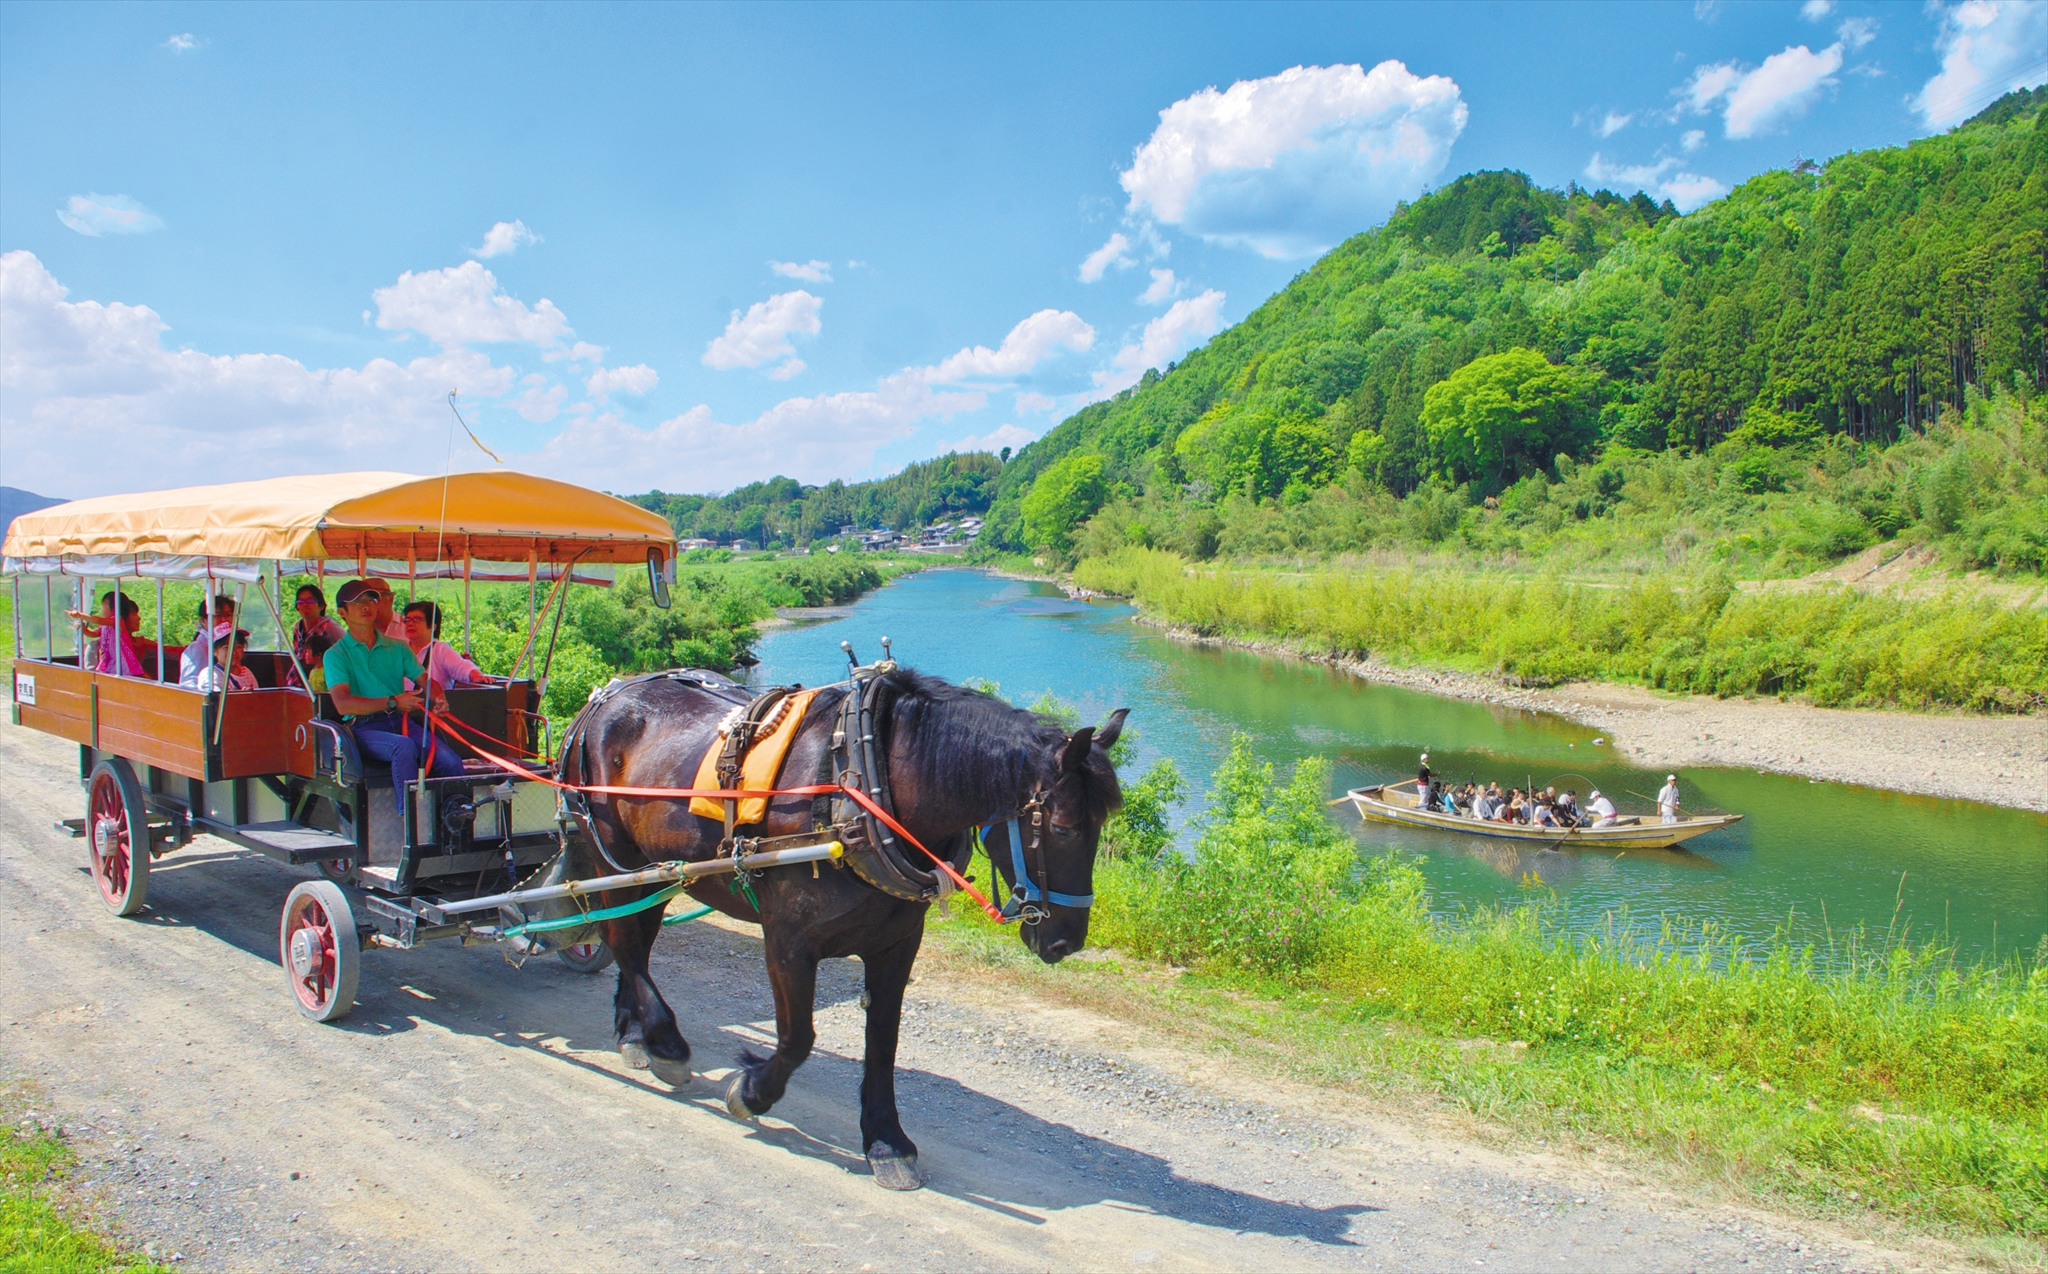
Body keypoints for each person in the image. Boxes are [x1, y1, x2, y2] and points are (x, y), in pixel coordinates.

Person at [323, 579, 465, 825]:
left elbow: (425, 680)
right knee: (403, 746)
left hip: (401, 722)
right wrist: (392, 702)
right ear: (342, 613)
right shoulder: (335, 655)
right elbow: (344, 704)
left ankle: (456, 819)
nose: (366, 606)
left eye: (370, 600)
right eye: (357, 602)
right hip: (364, 728)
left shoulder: (398, 648)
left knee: (452, 761)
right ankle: (410, 822)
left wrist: (439, 697)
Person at [401, 601, 484, 698]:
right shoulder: (399, 649)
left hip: (433, 709)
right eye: (407, 619)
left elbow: (461, 666)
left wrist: (476, 675)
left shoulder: (440, 649)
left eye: (416, 619)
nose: (410, 624)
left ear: (433, 626)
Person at [178, 594, 238, 686]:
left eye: (228, 615)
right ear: (203, 621)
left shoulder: (234, 644)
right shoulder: (198, 648)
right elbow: (189, 686)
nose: (224, 620)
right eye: (217, 615)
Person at [292, 584, 345, 684]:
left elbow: (348, 650)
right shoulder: (298, 627)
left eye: (310, 601)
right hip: (298, 681)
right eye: (300, 601)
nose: (305, 605)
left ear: (321, 606)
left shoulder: (330, 626)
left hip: (323, 681)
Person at [183, 622, 258, 692]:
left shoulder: (247, 673)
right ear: (214, 651)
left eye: (238, 646)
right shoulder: (210, 674)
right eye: (226, 647)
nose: (234, 652)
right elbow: (215, 702)